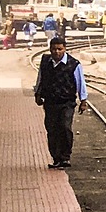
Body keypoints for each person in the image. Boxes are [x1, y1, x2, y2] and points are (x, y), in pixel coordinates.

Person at [35, 37, 87, 169]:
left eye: (60, 49)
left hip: (67, 102)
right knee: (52, 129)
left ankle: (65, 157)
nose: (56, 52)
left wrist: (83, 100)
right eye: (53, 49)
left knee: (65, 127)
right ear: (50, 49)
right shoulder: (45, 62)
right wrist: (38, 94)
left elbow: (80, 83)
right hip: (50, 102)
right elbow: (40, 78)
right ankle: (56, 158)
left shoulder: (74, 64)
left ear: (65, 49)